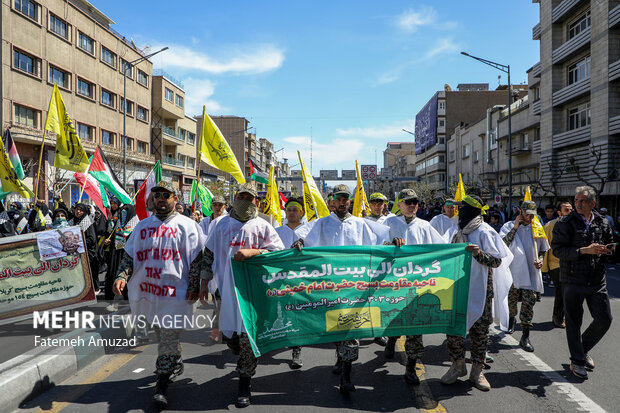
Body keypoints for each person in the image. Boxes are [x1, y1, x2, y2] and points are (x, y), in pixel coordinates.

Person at [113, 181, 206, 405]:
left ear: (175, 199)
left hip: (176, 293)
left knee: (167, 336)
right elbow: (129, 256)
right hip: (148, 293)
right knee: (161, 334)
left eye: (166, 195)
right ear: (152, 200)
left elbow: (197, 259)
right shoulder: (142, 226)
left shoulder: (187, 226)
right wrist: (121, 276)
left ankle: (162, 384)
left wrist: (195, 286)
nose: (161, 198)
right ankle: (175, 358)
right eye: (157, 195)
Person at [294, 184, 389, 395]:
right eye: (339, 198)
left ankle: (346, 376)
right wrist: (299, 242)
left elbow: (377, 245)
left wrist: (394, 244)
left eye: (346, 198)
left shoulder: (360, 224)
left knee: (350, 331)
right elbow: (306, 242)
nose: (343, 202)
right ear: (332, 201)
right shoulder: (321, 224)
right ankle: (340, 355)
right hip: (330, 288)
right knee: (336, 328)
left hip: (354, 288)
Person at [202, 182, 284, 408]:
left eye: (250, 198)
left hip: (252, 293)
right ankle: (237, 350)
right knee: (230, 336)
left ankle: (244, 383)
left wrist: (255, 252)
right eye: (242, 197)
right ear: (235, 197)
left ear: (256, 201)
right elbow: (208, 255)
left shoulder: (264, 226)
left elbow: (279, 252)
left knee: (248, 339)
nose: (245, 201)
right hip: (224, 291)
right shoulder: (219, 225)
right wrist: (202, 283)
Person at [441, 195, 513, 391]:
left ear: (470, 209)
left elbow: (497, 261)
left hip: (480, 290)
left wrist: (477, 253)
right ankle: (457, 366)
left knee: (479, 333)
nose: (458, 210)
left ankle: (477, 371)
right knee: (454, 329)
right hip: (456, 288)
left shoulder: (485, 231)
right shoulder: (456, 230)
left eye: (461, 207)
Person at [383, 189, 446, 386]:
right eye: (408, 202)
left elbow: (442, 248)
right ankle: (392, 339)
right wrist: (390, 243)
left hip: (418, 285)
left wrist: (463, 248)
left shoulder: (425, 226)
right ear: (400, 204)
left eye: (415, 202)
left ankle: (410, 367)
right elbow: (376, 246)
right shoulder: (389, 223)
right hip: (394, 284)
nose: (412, 205)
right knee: (394, 317)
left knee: (415, 326)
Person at [551, 186, 614, 379]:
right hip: (572, 280)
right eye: (576, 200)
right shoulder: (565, 223)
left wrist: (607, 250)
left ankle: (582, 349)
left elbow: (610, 243)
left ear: (593, 203)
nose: (578, 204)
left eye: (583, 201)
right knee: (573, 322)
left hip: (596, 280)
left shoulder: (602, 222)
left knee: (604, 319)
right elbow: (558, 250)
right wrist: (583, 251)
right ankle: (577, 360)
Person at [500, 201, 549, 352]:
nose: (529, 217)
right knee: (511, 300)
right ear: (520, 212)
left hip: (531, 271)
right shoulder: (508, 226)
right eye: (526, 214)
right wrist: (515, 228)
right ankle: (510, 319)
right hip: (513, 272)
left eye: (532, 215)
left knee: (529, 303)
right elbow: (502, 245)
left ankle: (525, 336)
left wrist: (540, 260)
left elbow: (542, 250)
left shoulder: (537, 228)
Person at [275, 198, 306, 369]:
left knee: (297, 314)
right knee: (282, 313)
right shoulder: (276, 231)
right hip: (280, 280)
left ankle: (297, 350)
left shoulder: (309, 231)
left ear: (301, 212)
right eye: (289, 210)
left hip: (303, 280)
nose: (292, 212)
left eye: (295, 209)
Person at [542, 201, 573, 328]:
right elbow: (544, 247)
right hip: (555, 264)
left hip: (571, 263)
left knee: (569, 292)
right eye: (567, 210)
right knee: (561, 291)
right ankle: (558, 318)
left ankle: (564, 316)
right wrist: (544, 268)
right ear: (559, 212)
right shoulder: (550, 225)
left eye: (571, 209)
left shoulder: (575, 224)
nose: (570, 212)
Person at [69, 203, 99, 291]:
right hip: (75, 254)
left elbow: (92, 239)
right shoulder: (72, 222)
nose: (78, 212)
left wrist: (79, 243)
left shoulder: (87, 223)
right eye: (76, 209)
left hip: (87, 253)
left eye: (80, 210)